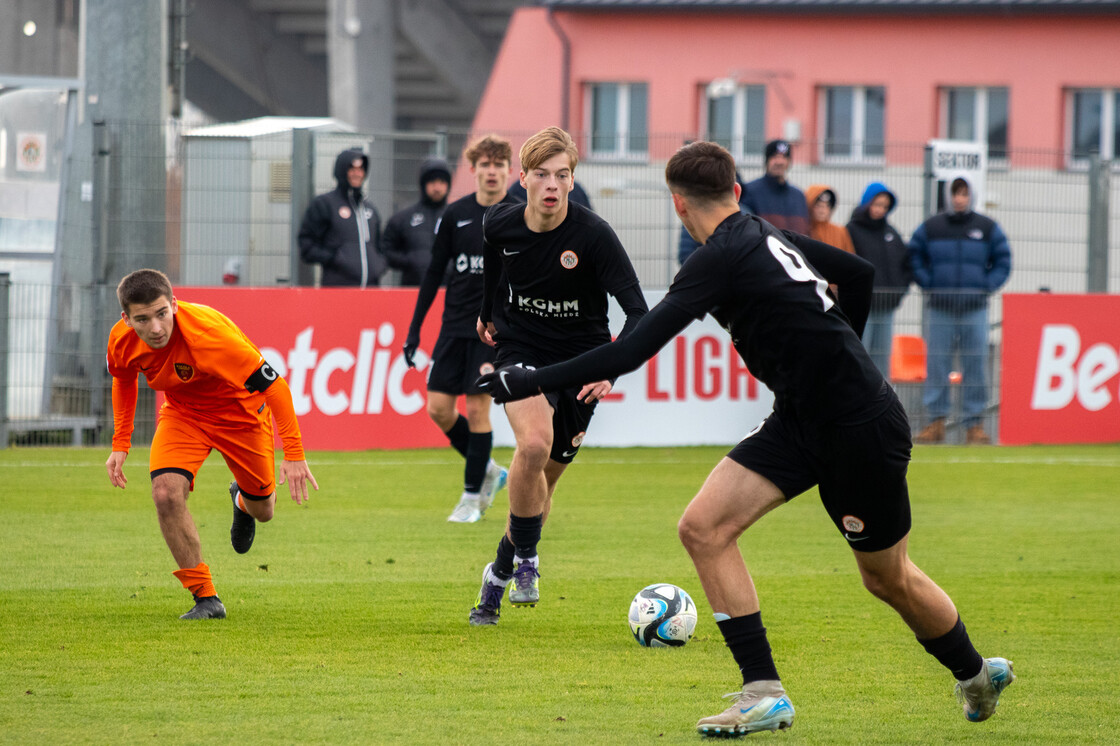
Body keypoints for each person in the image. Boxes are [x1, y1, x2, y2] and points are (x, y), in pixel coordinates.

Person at [478, 141, 1015, 735]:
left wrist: (530, 378)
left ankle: (974, 673)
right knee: (703, 528)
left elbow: (630, 351)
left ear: (678, 206)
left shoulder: (716, 260)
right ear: (735, 192)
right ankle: (763, 691)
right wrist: (848, 349)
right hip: (801, 420)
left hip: (858, 428)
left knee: (888, 577)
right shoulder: (762, 231)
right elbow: (857, 274)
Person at [469, 126, 649, 626]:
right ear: (522, 178)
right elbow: (492, 269)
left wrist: (611, 368)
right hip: (520, 349)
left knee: (541, 489)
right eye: (543, 174)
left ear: (573, 181)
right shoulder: (499, 224)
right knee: (531, 448)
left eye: (563, 175)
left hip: (582, 362)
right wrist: (487, 314)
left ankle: (498, 575)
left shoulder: (594, 236)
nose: (553, 184)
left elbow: (639, 313)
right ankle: (529, 560)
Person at [105, 269, 318, 620]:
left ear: (173, 304)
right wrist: (120, 442)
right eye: (143, 319)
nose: (156, 328)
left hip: (242, 415)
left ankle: (242, 501)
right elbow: (124, 379)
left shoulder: (208, 335)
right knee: (165, 493)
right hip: (184, 414)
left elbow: (275, 387)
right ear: (126, 319)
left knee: (264, 511)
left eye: (161, 314)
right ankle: (206, 598)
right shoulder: (121, 340)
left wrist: (293, 454)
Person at [403, 136, 516, 523]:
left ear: (508, 170)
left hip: (494, 332)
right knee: (438, 408)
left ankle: (471, 499)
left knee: (478, 408)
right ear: (473, 170)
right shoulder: (456, 215)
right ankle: (487, 469)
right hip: (453, 327)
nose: (491, 171)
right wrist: (415, 329)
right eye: (484, 164)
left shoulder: (520, 213)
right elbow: (435, 274)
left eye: (498, 164)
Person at [909, 176, 1011, 445]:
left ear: (971, 197)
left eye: (964, 194)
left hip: (974, 308)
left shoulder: (987, 227)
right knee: (937, 364)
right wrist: (927, 283)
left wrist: (986, 286)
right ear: (948, 197)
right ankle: (935, 423)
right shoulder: (932, 227)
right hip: (940, 308)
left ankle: (974, 426)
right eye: (955, 193)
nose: (959, 199)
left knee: (975, 365)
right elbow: (914, 255)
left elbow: (1003, 260)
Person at [846, 181, 912, 377]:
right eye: (876, 204)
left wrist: (899, 291)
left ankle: (881, 402)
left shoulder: (891, 233)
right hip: (862, 307)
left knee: (882, 359)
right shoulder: (852, 230)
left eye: (884, 206)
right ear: (867, 203)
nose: (879, 210)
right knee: (860, 355)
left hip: (886, 306)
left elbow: (906, 263)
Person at [297, 147, 386, 287]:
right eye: (352, 168)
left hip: (371, 291)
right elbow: (307, 246)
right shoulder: (324, 204)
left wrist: (379, 265)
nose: (357, 173)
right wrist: (335, 259)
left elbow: (380, 247)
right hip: (337, 289)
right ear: (342, 170)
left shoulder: (370, 209)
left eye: (361, 168)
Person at [381, 158, 451, 287]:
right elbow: (385, 249)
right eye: (432, 182)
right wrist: (409, 262)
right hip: (413, 290)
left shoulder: (457, 217)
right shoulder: (404, 218)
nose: (437, 187)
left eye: (442, 182)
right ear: (423, 184)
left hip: (450, 293)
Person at [740, 139, 810, 235]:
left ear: (789, 162)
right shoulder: (750, 191)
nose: (779, 162)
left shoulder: (799, 196)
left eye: (784, 157)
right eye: (775, 157)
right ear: (766, 160)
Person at [805, 185, 854, 254]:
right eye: (818, 206)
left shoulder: (840, 232)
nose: (822, 211)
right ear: (809, 206)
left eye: (827, 206)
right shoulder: (803, 230)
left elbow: (850, 258)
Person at [505, 177, 592, 211]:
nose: (552, 185)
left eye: (561, 176)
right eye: (541, 175)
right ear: (523, 179)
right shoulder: (517, 189)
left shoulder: (577, 190)